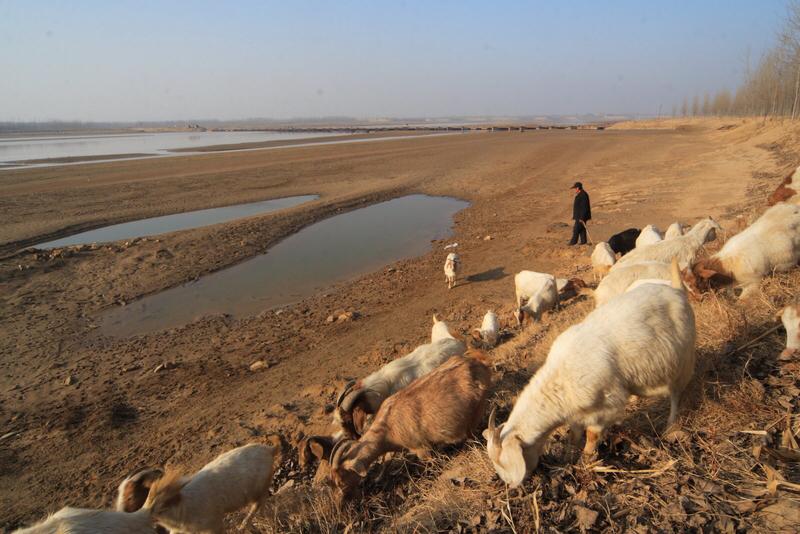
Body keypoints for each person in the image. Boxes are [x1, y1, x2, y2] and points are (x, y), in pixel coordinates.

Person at [568, 181, 591, 246]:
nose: (575, 190)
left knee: (576, 229)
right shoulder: (581, 194)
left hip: (581, 216)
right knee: (582, 229)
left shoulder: (583, 195)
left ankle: (573, 242)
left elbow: (584, 207)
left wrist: (582, 217)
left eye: (575, 188)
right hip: (579, 216)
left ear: (578, 188)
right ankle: (583, 241)